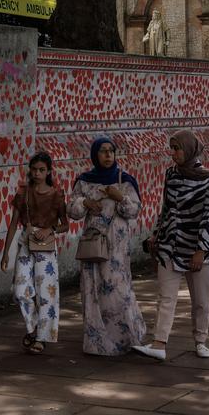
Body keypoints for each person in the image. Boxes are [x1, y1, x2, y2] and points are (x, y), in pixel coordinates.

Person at [133, 130, 209, 362]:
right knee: (165, 297)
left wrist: (201, 250)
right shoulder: (171, 174)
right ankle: (159, 343)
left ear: (190, 149)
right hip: (170, 244)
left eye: (177, 148)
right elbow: (167, 208)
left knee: (201, 300)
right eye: (172, 148)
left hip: (198, 247)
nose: (173, 153)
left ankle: (201, 340)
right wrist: (156, 235)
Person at [68, 136, 147, 356]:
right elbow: (72, 211)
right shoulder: (85, 180)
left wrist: (119, 197)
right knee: (92, 290)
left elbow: (133, 211)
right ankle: (98, 342)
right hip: (93, 243)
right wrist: (84, 202)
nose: (108, 155)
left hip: (117, 248)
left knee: (118, 290)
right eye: (103, 151)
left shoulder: (125, 180)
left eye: (111, 151)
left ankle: (127, 337)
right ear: (95, 154)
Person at [0, 152, 68, 354]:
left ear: (48, 172)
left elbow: (65, 224)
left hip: (46, 247)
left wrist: (51, 229)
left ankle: (41, 337)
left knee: (46, 294)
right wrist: (5, 253)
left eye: (42, 170)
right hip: (25, 243)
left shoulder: (56, 195)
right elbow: (13, 224)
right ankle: (35, 327)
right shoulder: (23, 193)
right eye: (34, 169)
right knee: (21, 291)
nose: (37, 173)